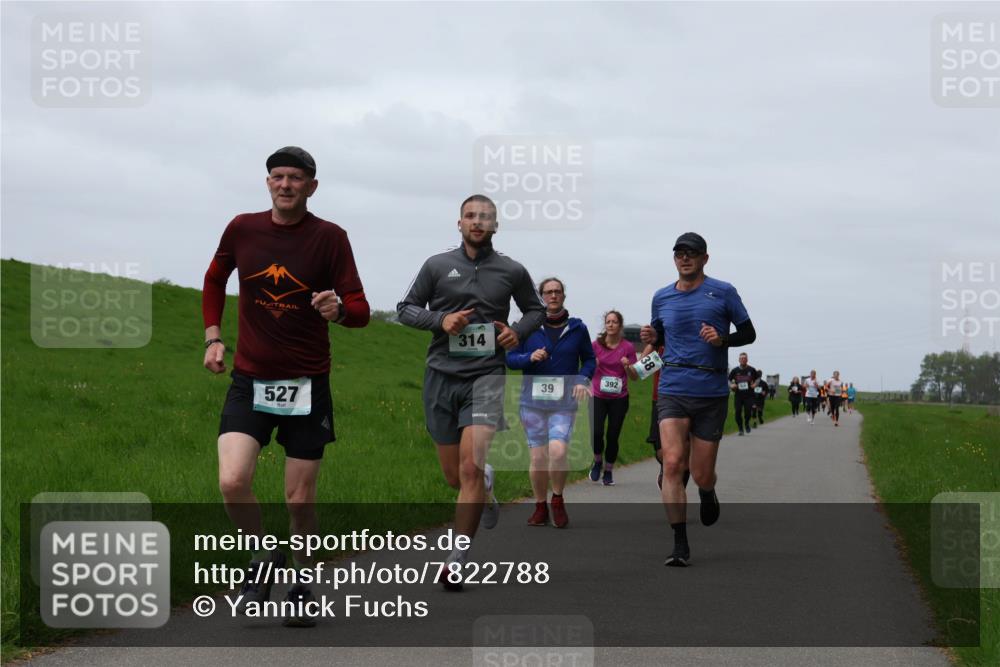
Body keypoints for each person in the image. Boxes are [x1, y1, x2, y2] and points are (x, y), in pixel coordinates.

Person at [202, 146, 370, 626]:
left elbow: (358, 308)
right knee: (232, 481)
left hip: (306, 385)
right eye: (277, 177)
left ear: (312, 186)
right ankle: (260, 559)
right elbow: (215, 280)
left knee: (300, 501)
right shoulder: (243, 228)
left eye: (296, 178)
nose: (286, 185)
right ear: (268, 183)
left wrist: (339, 310)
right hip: (249, 378)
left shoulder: (330, 237)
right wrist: (214, 337)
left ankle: (301, 582)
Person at [397, 194, 545, 590]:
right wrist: (441, 320)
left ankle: (457, 558)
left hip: (487, 375)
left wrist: (520, 332)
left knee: (469, 469)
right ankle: (487, 483)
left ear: (496, 226)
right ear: (458, 223)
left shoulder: (511, 270)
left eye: (486, 217)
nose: (477, 222)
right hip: (441, 376)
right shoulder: (437, 265)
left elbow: (535, 310)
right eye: (470, 216)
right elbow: (405, 309)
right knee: (454, 477)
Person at [640, 232, 756, 567]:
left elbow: (749, 333)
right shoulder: (661, 297)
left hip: (711, 391)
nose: (685, 258)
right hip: (673, 388)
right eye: (679, 253)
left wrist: (722, 340)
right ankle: (679, 544)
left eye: (692, 253)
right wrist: (652, 336)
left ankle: (707, 490)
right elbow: (660, 334)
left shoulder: (723, 292)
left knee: (703, 473)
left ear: (705, 258)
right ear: (674, 258)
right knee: (673, 463)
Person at [506, 277, 595, 528]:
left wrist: (582, 379)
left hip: (563, 402)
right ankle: (539, 506)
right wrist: (529, 357)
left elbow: (589, 360)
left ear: (563, 296)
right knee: (538, 458)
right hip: (531, 401)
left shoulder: (578, 328)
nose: (553, 296)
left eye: (557, 292)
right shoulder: (526, 327)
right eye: (548, 292)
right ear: (541, 296)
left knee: (558, 451)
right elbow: (510, 359)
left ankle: (557, 499)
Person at [590, 310, 638, 486]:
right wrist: (592, 365)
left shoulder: (628, 348)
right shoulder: (595, 345)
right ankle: (597, 462)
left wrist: (627, 367)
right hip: (598, 396)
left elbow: (634, 376)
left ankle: (608, 471)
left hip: (619, 397)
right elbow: (587, 368)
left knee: (612, 435)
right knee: (596, 433)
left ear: (620, 325)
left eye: (614, 322)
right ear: (605, 325)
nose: (610, 324)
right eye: (608, 322)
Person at [727, 352, 758, 436]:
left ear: (747, 360)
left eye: (744, 358)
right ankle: (740, 429)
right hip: (738, 395)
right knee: (738, 412)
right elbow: (728, 380)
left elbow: (758, 378)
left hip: (749, 395)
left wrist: (755, 384)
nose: (743, 360)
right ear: (739, 360)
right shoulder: (735, 370)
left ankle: (747, 423)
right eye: (741, 358)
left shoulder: (751, 370)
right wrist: (731, 385)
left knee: (748, 412)